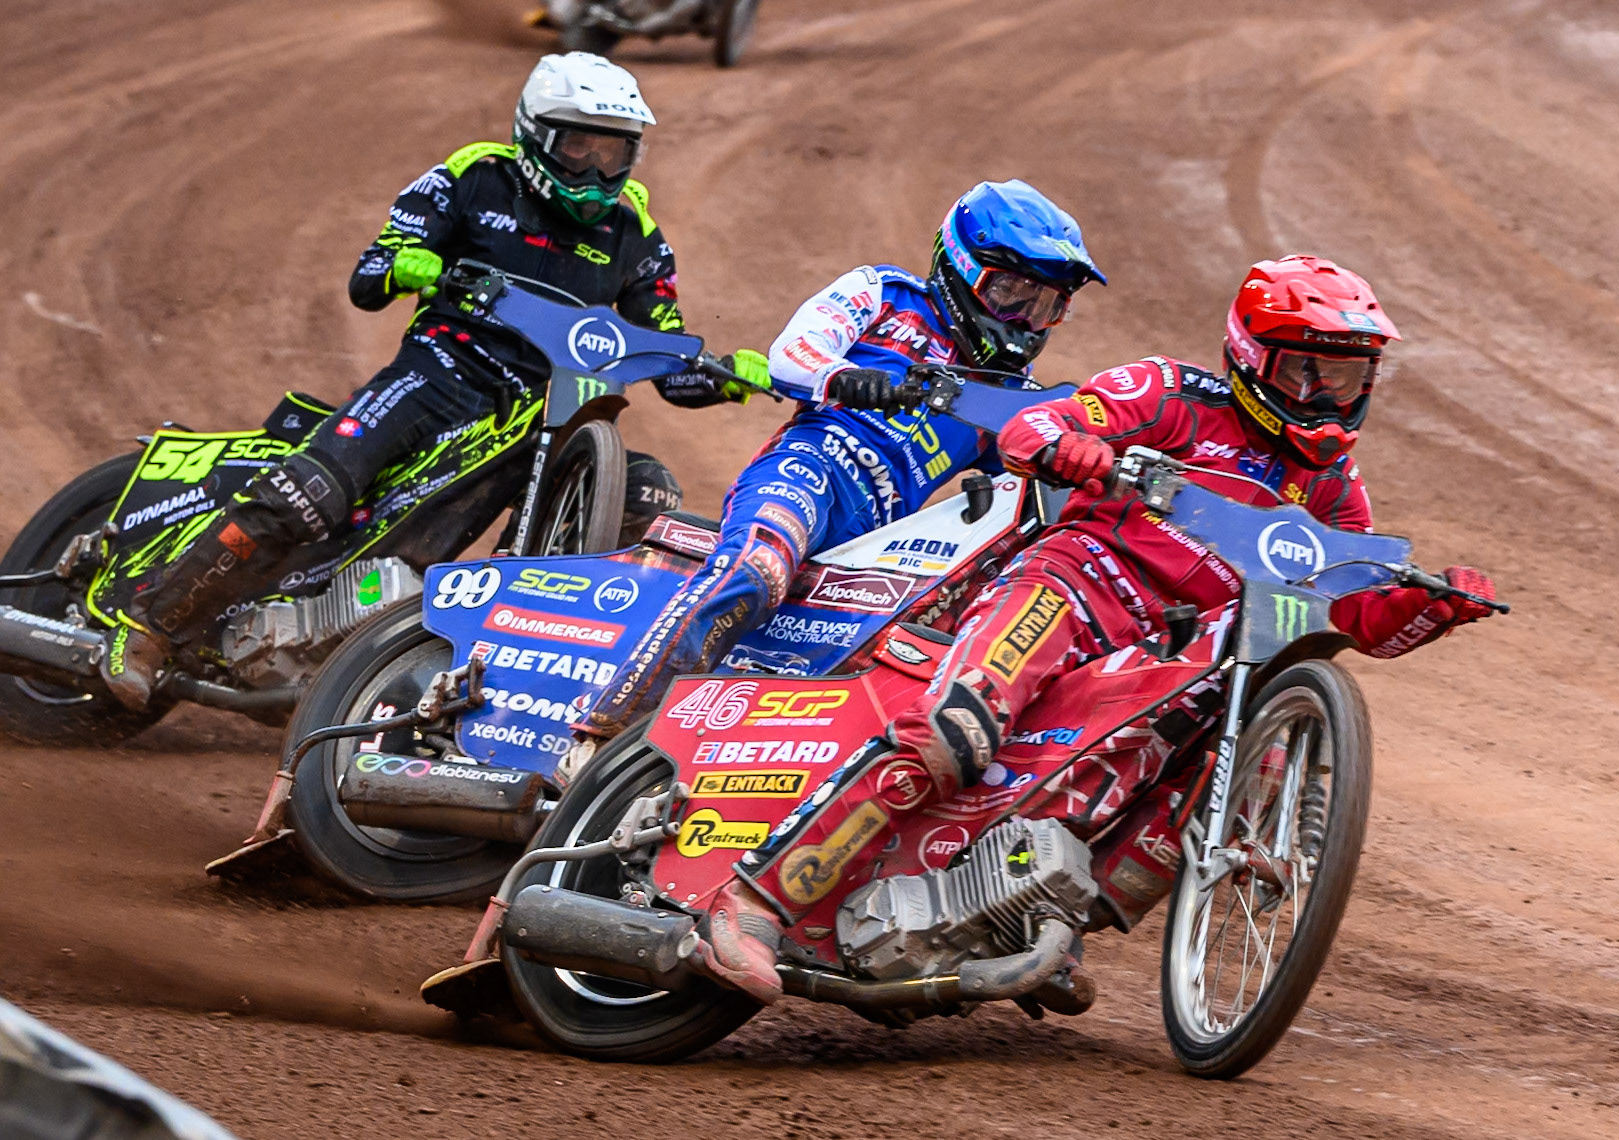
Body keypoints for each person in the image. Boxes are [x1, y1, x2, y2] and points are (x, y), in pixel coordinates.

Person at [693, 254, 1500, 1003]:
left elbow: (1355, 615)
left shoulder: (1331, 488)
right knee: (953, 734)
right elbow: (1030, 428)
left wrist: (1432, 608)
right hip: (1068, 589)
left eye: (1348, 377)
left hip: (1164, 651)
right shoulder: (1169, 394)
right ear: (1254, 360)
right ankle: (755, 904)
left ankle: (1041, 924)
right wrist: (1076, 450)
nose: (1328, 397)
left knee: (1192, 770)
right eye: (1308, 373)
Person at [103, 52, 768, 709]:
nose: (596, 171)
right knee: (307, 493)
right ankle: (149, 627)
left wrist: (731, 370)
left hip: (542, 409)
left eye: (613, 153)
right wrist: (411, 264)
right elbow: (370, 276)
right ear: (535, 137)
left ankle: (527, 674)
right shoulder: (475, 177)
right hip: (440, 372)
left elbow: (666, 350)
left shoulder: (636, 231)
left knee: (647, 490)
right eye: (578, 148)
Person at [568, 179, 1106, 754]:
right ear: (960, 267)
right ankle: (599, 734)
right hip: (810, 471)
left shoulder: (1010, 397)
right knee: (756, 570)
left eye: (1046, 304)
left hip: (885, 546)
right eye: (1011, 293)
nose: (1024, 320)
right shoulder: (885, 294)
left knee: (932, 650)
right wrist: (840, 376)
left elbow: (1039, 480)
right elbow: (789, 355)